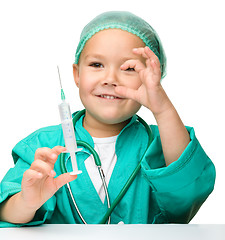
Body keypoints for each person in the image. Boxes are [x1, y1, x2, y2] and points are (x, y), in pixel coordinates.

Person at [0, 11, 215, 227]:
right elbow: (7, 212)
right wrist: (27, 202)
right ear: (76, 74)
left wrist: (163, 109)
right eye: (96, 65)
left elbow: (190, 189)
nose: (110, 79)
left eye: (129, 68)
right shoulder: (42, 147)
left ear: (151, 78)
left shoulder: (163, 143)